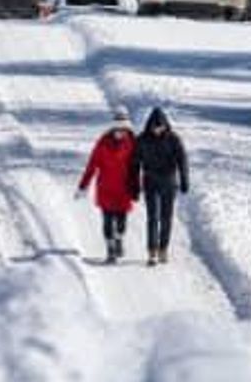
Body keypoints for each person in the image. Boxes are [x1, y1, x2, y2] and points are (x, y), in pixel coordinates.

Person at [77, 106, 139, 264]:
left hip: (124, 189)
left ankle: (119, 239)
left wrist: (142, 183)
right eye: (118, 128)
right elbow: (92, 165)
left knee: (121, 221)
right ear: (113, 127)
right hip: (106, 188)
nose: (121, 132)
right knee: (107, 220)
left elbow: (140, 164)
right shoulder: (103, 142)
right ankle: (110, 250)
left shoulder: (133, 142)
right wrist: (83, 186)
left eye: (124, 128)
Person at [132, 106, 191, 265]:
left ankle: (163, 249)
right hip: (150, 182)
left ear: (165, 125)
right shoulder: (142, 140)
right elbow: (134, 165)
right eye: (154, 127)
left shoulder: (174, 139)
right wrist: (134, 185)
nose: (157, 130)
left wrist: (184, 180)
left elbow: (182, 161)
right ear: (149, 126)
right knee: (153, 217)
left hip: (169, 183)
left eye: (160, 127)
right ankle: (152, 251)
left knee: (166, 218)